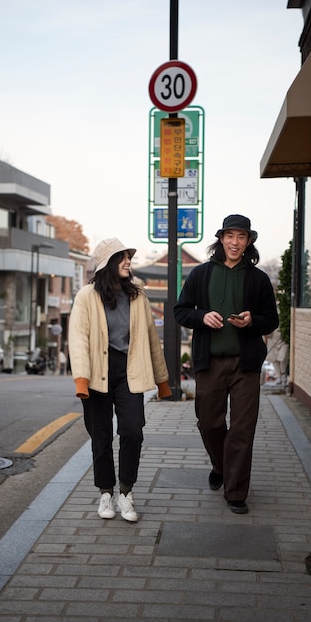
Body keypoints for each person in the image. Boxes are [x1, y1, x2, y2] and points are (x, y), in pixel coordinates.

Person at [173, 215, 279, 514]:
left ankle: (235, 492)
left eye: (241, 237)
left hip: (246, 364)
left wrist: (251, 321)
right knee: (210, 423)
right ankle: (220, 466)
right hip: (210, 362)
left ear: (248, 241)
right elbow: (180, 311)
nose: (235, 242)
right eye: (230, 236)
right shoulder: (201, 274)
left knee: (243, 428)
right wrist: (202, 316)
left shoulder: (258, 279)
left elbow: (272, 319)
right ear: (221, 238)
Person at [68, 238, 172, 522]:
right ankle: (105, 492)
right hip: (97, 374)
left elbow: (152, 340)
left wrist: (162, 381)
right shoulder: (86, 296)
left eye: (129, 257)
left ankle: (125, 492)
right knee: (100, 438)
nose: (128, 261)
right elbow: (77, 340)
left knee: (133, 431)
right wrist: (81, 379)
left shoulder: (138, 296)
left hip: (130, 372)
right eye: (122, 257)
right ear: (107, 264)